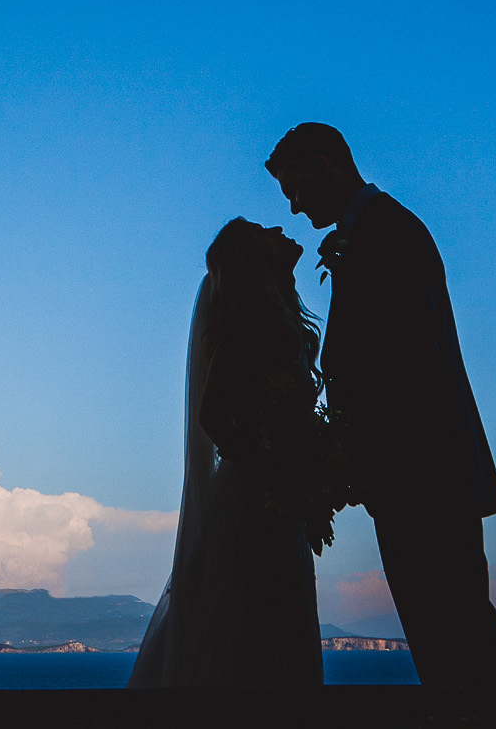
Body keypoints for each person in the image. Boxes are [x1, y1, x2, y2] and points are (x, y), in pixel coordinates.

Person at [267, 121, 496, 686]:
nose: (296, 209)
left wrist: (360, 451)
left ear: (324, 165)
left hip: (423, 470)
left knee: (454, 631)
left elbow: (405, 365)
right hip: (411, 472)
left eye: (296, 190)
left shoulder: (390, 233)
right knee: (444, 632)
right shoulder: (378, 231)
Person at [129, 217, 335, 688]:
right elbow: (214, 414)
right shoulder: (253, 311)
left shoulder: (276, 307)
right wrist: (276, 472)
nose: (280, 227)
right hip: (254, 499)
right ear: (251, 256)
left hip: (272, 495)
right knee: (254, 626)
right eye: (265, 229)